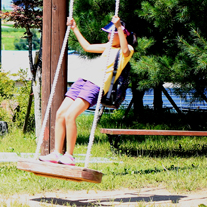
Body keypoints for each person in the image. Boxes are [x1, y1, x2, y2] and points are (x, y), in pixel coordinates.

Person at [40, 15, 136, 166]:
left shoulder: (128, 49)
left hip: (96, 84)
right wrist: (74, 28)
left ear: (122, 34)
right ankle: (56, 153)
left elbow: (124, 50)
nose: (109, 36)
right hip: (83, 80)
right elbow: (88, 47)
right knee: (60, 114)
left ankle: (69, 156)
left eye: (112, 33)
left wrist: (118, 26)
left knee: (71, 116)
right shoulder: (108, 46)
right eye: (109, 33)